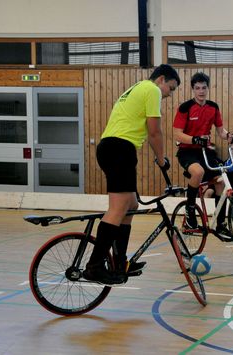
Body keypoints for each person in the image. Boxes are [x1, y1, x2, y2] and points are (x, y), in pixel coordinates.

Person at [83, 64, 181, 285]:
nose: (169, 94)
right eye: (171, 89)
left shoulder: (136, 88)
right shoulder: (152, 90)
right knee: (118, 209)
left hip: (113, 148)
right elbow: (154, 131)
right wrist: (161, 158)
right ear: (162, 79)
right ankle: (95, 266)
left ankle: (120, 262)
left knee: (132, 205)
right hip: (120, 150)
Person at [173, 72, 233, 237]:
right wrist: (195, 139)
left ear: (208, 88)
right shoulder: (185, 107)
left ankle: (220, 223)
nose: (201, 91)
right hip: (187, 151)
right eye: (197, 88)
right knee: (198, 172)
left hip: (205, 152)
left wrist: (228, 136)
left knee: (220, 181)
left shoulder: (213, 107)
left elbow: (221, 131)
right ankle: (190, 211)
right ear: (193, 89)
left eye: (204, 88)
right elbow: (178, 134)